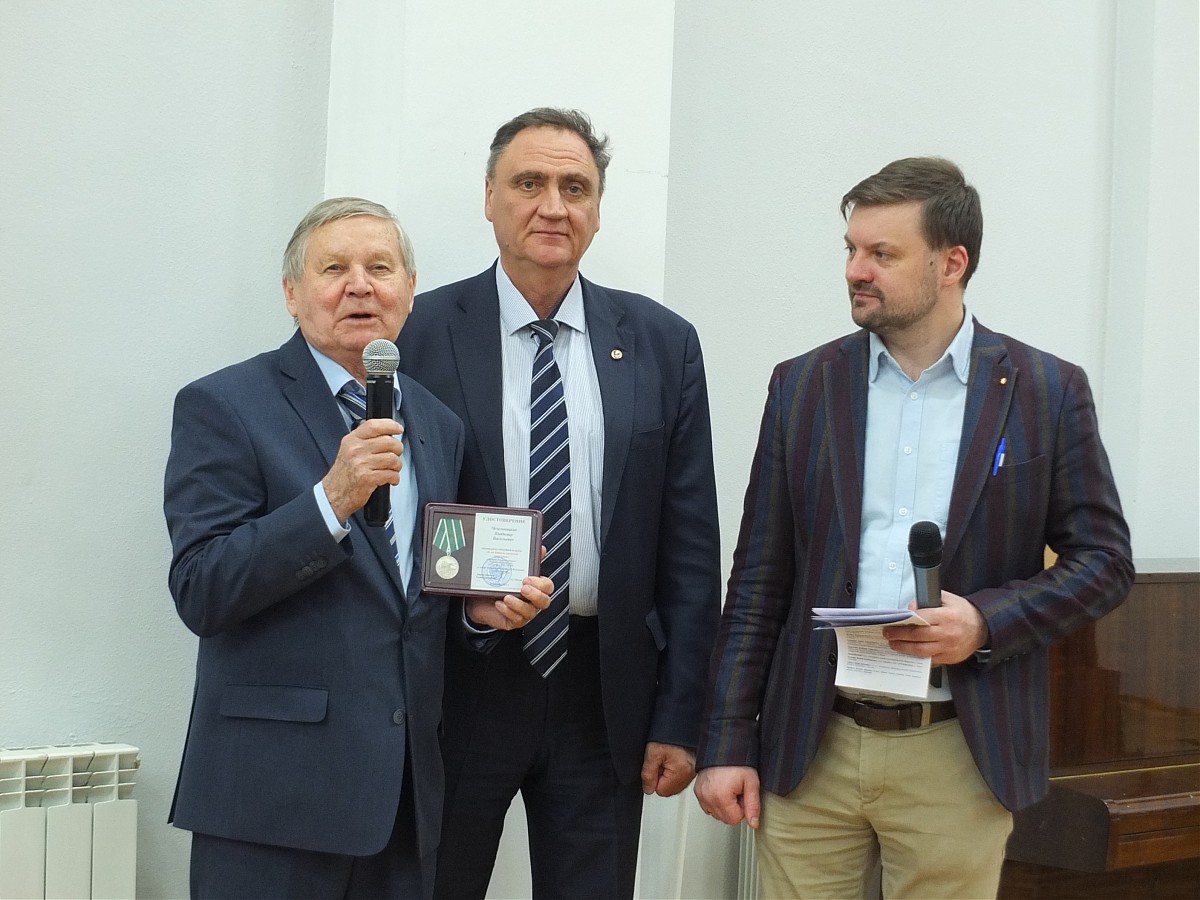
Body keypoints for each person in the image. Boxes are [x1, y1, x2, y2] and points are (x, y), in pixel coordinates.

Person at [694, 158, 1134, 899]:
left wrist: (986, 621)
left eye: (882, 253)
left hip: (957, 748)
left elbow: (1104, 563)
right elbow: (760, 579)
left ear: (951, 263)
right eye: (851, 249)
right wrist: (727, 740)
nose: (855, 271)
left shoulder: (1045, 390)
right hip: (813, 742)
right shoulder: (803, 385)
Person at [164, 197, 552, 899]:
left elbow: (411, 598)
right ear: (292, 294)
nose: (360, 286)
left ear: (410, 291)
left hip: (403, 798)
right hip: (273, 800)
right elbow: (202, 588)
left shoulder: (436, 422)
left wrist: (475, 615)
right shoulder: (225, 404)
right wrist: (330, 500)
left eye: (380, 268)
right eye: (334, 269)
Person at [395, 108, 721, 899]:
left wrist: (682, 715)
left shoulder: (662, 342)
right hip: (460, 682)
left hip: (604, 692)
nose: (553, 206)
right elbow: (389, 520)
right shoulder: (418, 332)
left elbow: (689, 545)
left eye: (575, 188)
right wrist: (467, 608)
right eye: (529, 183)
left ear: (598, 209)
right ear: (489, 198)